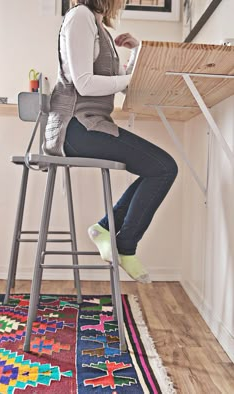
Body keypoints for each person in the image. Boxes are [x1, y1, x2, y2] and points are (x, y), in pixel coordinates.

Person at [43, 0, 178, 283]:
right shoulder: (79, 16)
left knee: (161, 168)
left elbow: (117, 80)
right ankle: (124, 245)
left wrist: (137, 52)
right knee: (164, 168)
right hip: (76, 127)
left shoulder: (97, 23)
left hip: (92, 124)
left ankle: (107, 230)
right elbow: (84, 83)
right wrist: (128, 80)